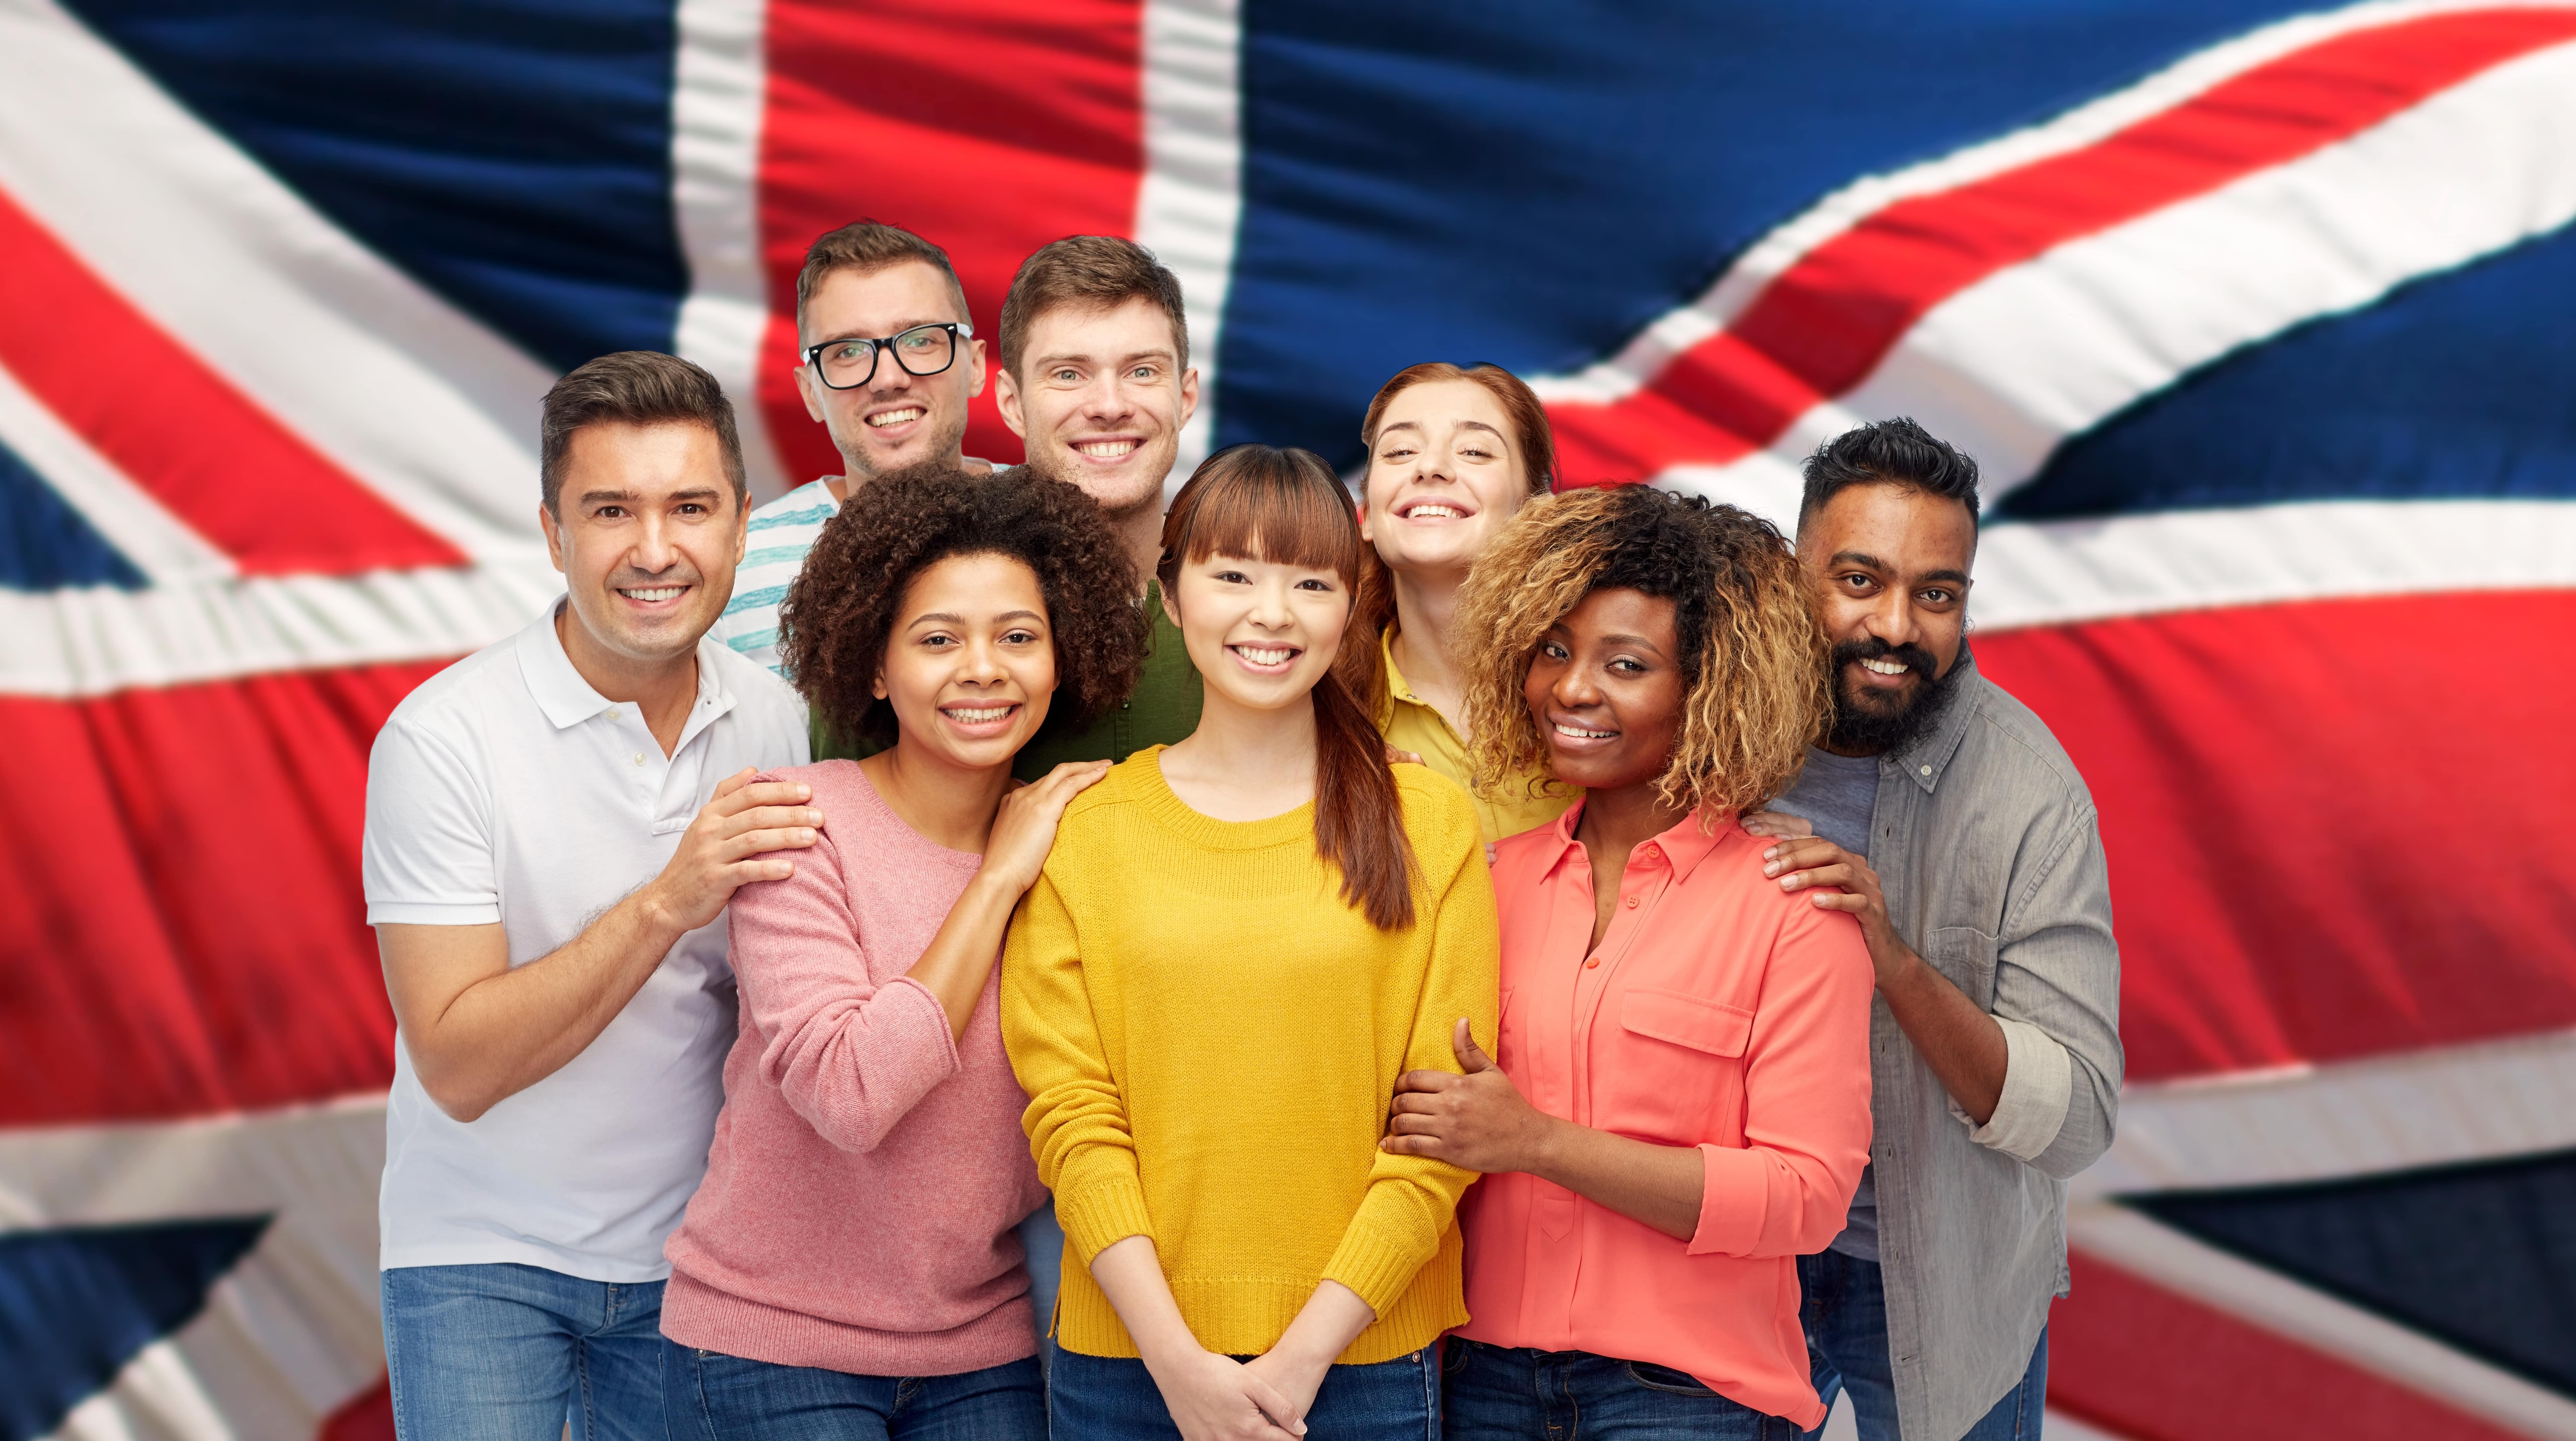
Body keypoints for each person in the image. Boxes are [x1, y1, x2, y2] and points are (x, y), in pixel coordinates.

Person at [1001, 445, 1500, 1440]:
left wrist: (1302, 1357)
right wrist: (1178, 1364)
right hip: (1126, 1365)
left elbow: (1441, 1131)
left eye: (1310, 582)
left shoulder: (1432, 822)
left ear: (1351, 606)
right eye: (1232, 575)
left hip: (1358, 1365)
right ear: (1171, 594)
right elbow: (1072, 1117)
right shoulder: (1090, 829)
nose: (1270, 615)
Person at [363, 351, 815, 1440]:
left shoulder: (775, 721)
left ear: (741, 527)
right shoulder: (443, 738)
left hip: (696, 1264)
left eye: (689, 507)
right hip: (480, 1258)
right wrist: (669, 898)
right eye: (611, 510)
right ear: (554, 530)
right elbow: (458, 1063)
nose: (654, 550)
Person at [658, 464, 1151, 1438]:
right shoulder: (799, 827)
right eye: (938, 640)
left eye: (1019, 636)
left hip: (984, 1348)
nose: (983, 668)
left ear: (1064, 659)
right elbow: (852, 1091)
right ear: (877, 667)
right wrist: (998, 880)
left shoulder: (1081, 842)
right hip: (772, 1346)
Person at [1386, 483, 1874, 1439]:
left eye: (1626, 664)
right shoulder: (1488, 884)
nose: (1573, 689)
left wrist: (1536, 1143)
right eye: (1557, 651)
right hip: (1482, 1383)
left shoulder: (1795, 909)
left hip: (1691, 1400)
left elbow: (1806, 1199)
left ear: (1709, 689)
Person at [1746, 418, 2122, 1441]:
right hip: (1734, 1259)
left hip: (1934, 1275)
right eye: (1859, 581)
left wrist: (1891, 958)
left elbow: (2079, 1114)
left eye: (1937, 594)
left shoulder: (2030, 793)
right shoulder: (1705, 730)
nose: (1897, 625)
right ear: (1795, 575)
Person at [713, 220, 994, 677]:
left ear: (977, 366)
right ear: (810, 393)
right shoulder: (733, 569)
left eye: (921, 340)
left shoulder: (1062, 525)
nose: (888, 379)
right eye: (847, 352)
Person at [1334, 362, 1572, 844]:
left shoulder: (1609, 693)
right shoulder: (1319, 710)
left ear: (1537, 510)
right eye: (1400, 451)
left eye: (1475, 451)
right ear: (1368, 517)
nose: (1431, 467)